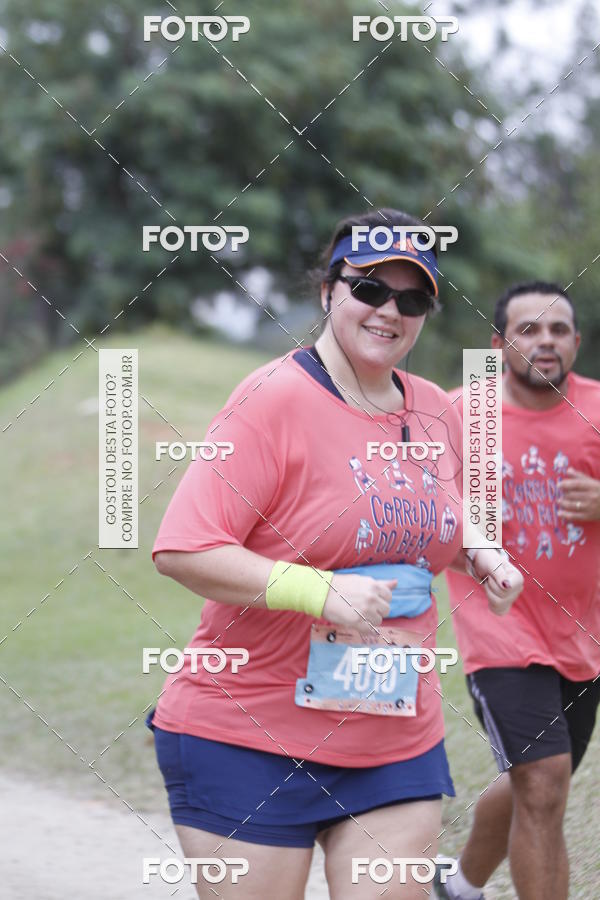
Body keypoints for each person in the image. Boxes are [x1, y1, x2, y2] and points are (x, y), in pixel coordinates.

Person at [148, 208, 523, 900]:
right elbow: (183, 547)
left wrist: (485, 554)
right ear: (329, 291)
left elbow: (445, 510)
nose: (389, 311)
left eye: (411, 299)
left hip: (392, 738)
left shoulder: (435, 407)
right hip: (247, 735)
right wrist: (317, 591)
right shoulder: (271, 399)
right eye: (370, 289)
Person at [436, 282, 600, 900]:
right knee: (544, 779)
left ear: (577, 342)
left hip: (583, 633)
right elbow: (416, 504)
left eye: (559, 330)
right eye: (529, 330)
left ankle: (458, 886)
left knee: (537, 782)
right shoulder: (461, 414)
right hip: (499, 626)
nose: (546, 341)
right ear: (500, 343)